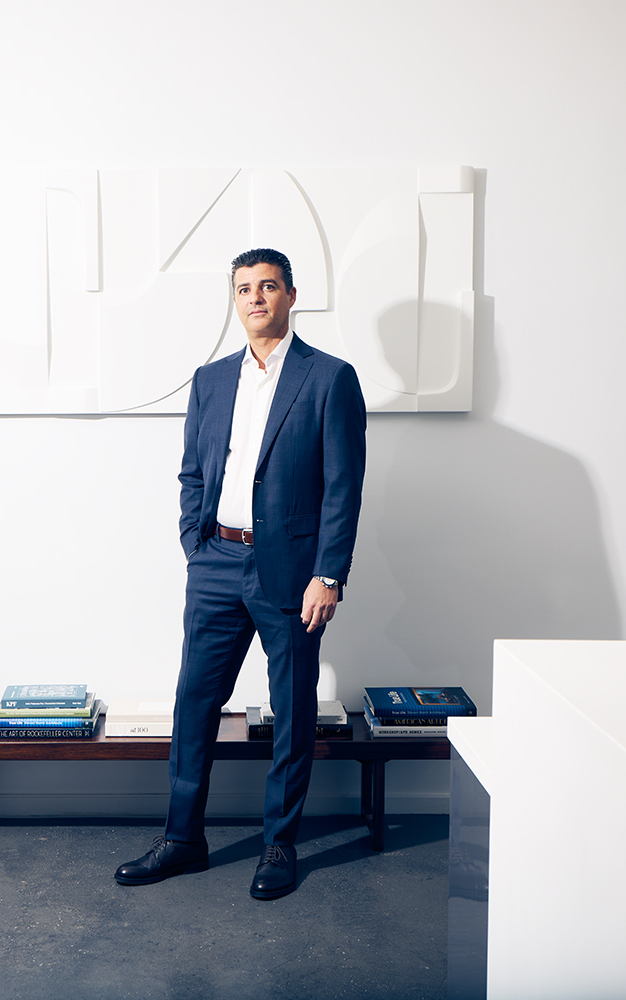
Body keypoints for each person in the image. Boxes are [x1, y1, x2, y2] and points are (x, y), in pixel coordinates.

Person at [115, 248, 366, 900]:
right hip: (217, 563)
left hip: (292, 571)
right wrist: (194, 543)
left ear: (290, 295)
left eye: (269, 286)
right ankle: (182, 839)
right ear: (235, 299)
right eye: (245, 289)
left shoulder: (330, 378)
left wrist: (329, 574)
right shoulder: (210, 379)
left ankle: (278, 844)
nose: (256, 298)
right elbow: (195, 471)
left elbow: (343, 487)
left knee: (291, 711)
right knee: (194, 703)